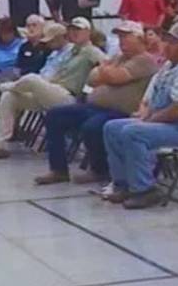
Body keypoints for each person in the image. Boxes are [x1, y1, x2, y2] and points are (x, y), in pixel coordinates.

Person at [99, 29, 178, 208]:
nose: (165, 46)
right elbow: (148, 98)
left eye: (172, 42)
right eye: (165, 40)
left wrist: (147, 121)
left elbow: (176, 110)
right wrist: (143, 113)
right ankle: (122, 184)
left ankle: (144, 189)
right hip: (162, 122)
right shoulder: (167, 67)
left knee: (133, 132)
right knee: (111, 127)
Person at [35, 23, 161, 185]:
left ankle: (99, 170)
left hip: (122, 112)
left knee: (92, 126)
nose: (121, 40)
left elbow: (116, 77)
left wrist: (105, 72)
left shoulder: (144, 60)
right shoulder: (118, 58)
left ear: (139, 38)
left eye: (125, 36)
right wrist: (107, 73)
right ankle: (58, 169)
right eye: (119, 36)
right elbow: (91, 78)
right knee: (55, 115)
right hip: (95, 106)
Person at [0, 19, 103, 158]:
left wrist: (92, 85)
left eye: (78, 30)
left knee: (32, 78)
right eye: (72, 29)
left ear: (88, 32)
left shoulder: (92, 51)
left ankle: (0, 88)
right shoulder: (71, 51)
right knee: (10, 97)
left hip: (69, 96)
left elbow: (105, 64)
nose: (74, 33)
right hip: (52, 92)